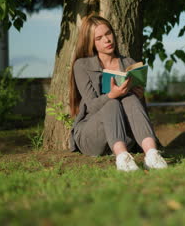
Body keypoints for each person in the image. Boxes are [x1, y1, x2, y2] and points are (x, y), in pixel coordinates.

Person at [68, 15, 168, 172]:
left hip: (124, 134)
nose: (107, 40)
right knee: (112, 102)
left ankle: (152, 154)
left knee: (129, 97)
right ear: (90, 43)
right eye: (99, 38)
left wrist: (140, 96)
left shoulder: (128, 63)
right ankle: (123, 159)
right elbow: (92, 106)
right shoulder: (82, 65)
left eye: (108, 33)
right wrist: (111, 95)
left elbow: (138, 113)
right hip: (92, 136)